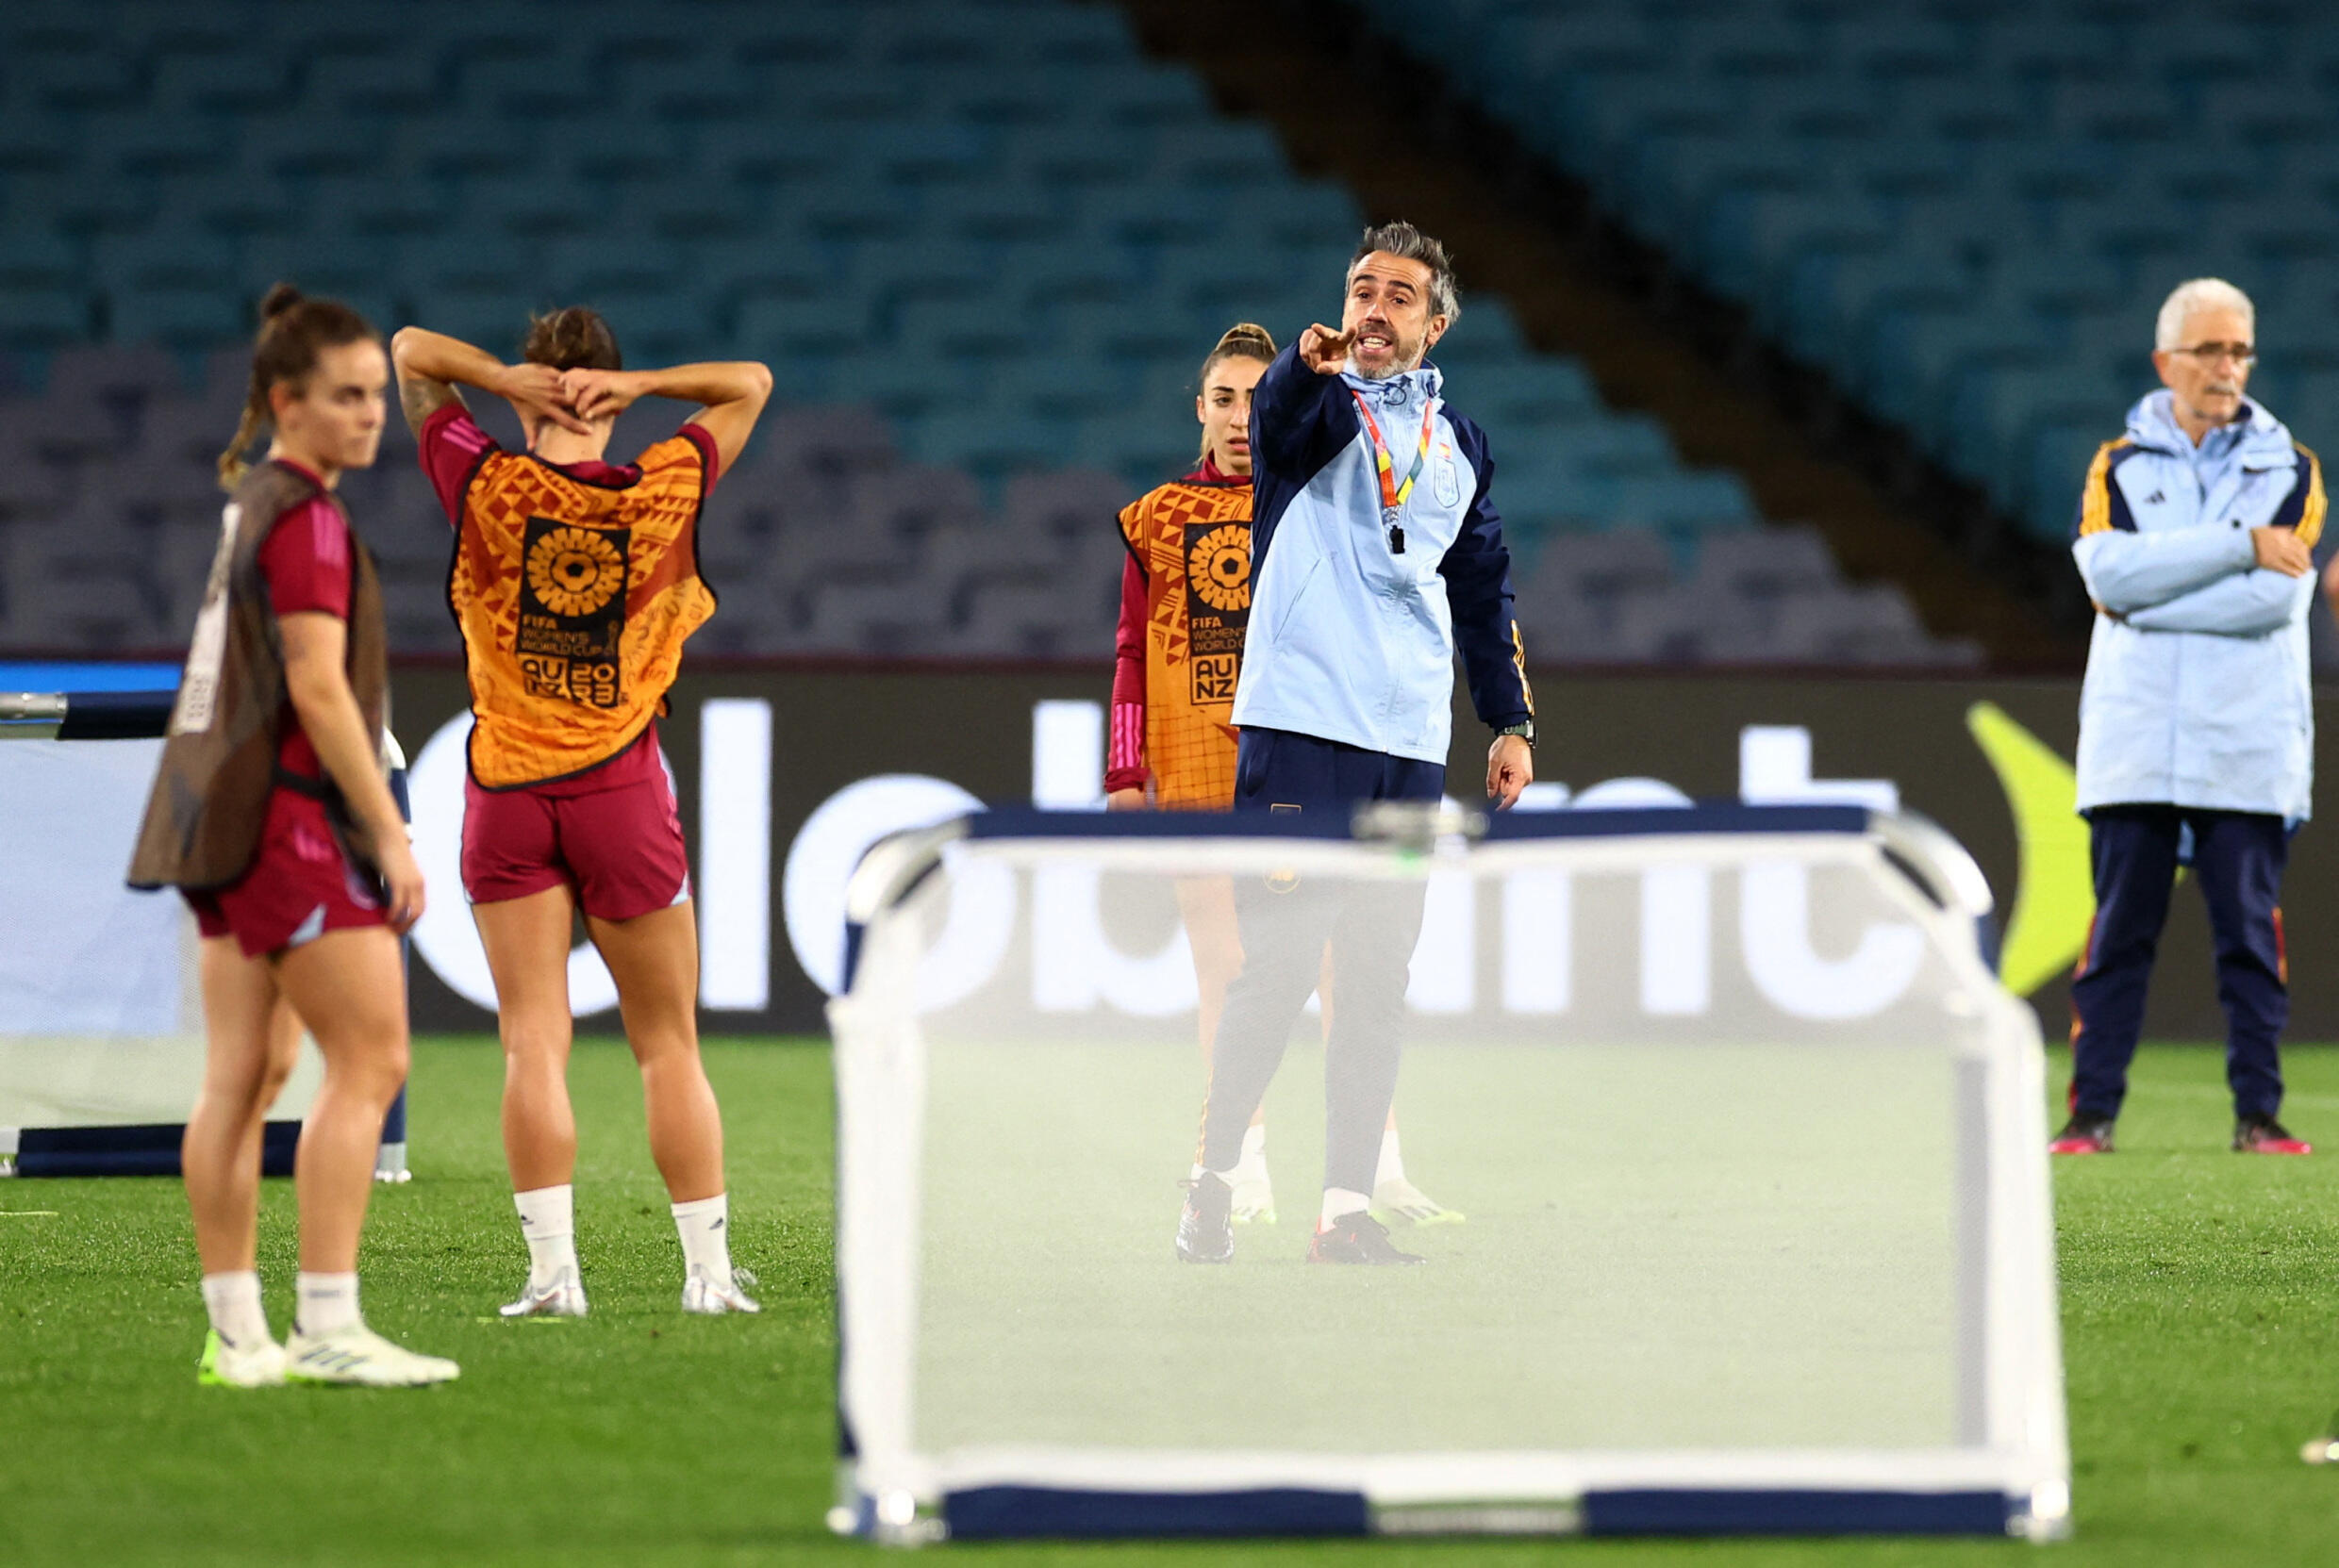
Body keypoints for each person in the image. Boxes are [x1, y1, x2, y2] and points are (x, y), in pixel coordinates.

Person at [390, 312, 773, 1312]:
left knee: (531, 1039)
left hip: (505, 796)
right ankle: (706, 1275)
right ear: (599, 390)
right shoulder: (662, 487)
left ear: (535, 390)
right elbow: (750, 382)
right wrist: (645, 384)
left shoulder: (485, 482)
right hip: (621, 793)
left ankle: (554, 1275)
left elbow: (409, 354)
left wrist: (501, 380)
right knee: (666, 1043)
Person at [1175, 223, 1535, 1267]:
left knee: (1378, 976)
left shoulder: (1457, 443)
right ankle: (1211, 1184)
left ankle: (1342, 1211)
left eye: (1398, 295)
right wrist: (1298, 363)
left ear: (1433, 324)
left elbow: (1480, 586)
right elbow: (1277, 421)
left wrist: (1506, 720)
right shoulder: (1312, 410)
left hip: (1407, 745)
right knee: (1278, 963)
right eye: (1360, 288)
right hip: (1297, 723)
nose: (1373, 308)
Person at [129, 285, 456, 1388]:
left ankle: (239, 1337)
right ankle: (326, 1326)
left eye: (375, 395)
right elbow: (319, 687)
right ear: (286, 401)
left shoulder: (256, 504)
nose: (372, 415)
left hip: (213, 821)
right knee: (372, 1059)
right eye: (347, 396)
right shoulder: (307, 518)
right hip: (290, 824)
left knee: (247, 1071)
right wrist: (391, 835)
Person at [1108, 322, 1456, 1229]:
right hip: (1196, 758)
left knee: (1352, 963)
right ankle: (1238, 1164)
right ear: (1199, 407)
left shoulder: (1332, 497)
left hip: (1309, 751)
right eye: (1222, 398)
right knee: (1227, 970)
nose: (1237, 416)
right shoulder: (1154, 517)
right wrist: (1123, 768)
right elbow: (1129, 655)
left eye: (1253, 397)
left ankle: (1376, 1164)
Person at [2053, 277, 2321, 1157]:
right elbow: (2106, 580)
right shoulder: (2119, 464)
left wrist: (2151, 592)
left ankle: (2260, 1115)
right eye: (2210, 349)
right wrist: (2238, 546)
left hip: (2245, 743)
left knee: (2248, 939)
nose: (2228, 367)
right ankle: (2090, 1117)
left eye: (2240, 349)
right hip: (2138, 740)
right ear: (2166, 360)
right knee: (2117, 936)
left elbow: (2270, 607)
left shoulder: (2292, 467)